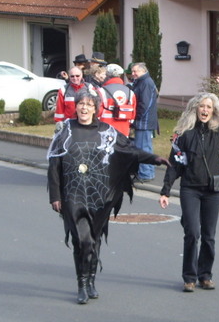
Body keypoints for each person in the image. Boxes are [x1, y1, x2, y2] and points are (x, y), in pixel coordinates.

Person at [48, 88, 170, 304]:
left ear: (95, 109)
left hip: (99, 196)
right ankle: (81, 284)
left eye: (89, 105)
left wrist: (154, 159)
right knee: (82, 241)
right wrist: (55, 196)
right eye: (81, 104)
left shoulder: (107, 131)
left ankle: (91, 280)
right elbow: (54, 164)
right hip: (73, 195)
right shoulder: (65, 131)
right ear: (76, 106)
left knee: (94, 240)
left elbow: (129, 150)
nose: (84, 108)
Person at [159, 76, 219, 292]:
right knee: (192, 233)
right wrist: (165, 191)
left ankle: (205, 275)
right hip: (191, 189)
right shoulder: (183, 135)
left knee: (208, 236)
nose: (205, 110)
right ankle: (189, 277)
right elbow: (174, 165)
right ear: (195, 109)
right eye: (202, 106)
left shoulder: (218, 130)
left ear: (213, 111)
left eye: (209, 107)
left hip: (214, 189)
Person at [129, 62, 159, 181]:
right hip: (145, 121)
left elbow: (144, 104)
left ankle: (145, 174)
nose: (133, 73)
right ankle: (148, 172)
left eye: (135, 71)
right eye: (132, 71)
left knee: (142, 148)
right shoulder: (144, 81)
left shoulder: (145, 82)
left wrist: (136, 118)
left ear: (143, 71)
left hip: (144, 122)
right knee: (146, 147)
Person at [98, 63, 136, 136]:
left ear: (107, 75)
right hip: (124, 129)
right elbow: (133, 114)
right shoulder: (130, 92)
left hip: (105, 129)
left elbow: (98, 111)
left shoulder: (101, 91)